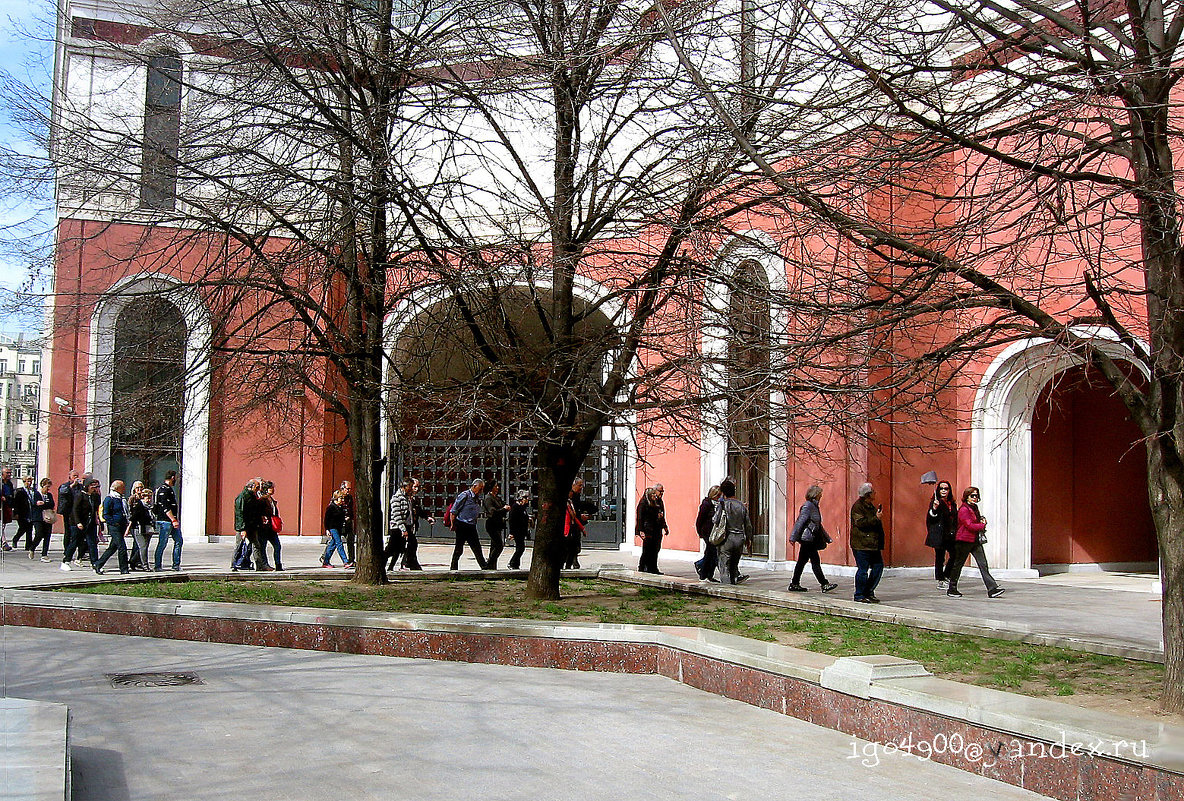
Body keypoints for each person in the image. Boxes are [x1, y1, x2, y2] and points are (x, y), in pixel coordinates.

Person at [946, 486, 1005, 599]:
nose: (975, 498)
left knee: (983, 564)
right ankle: (952, 588)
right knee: (958, 565)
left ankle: (992, 589)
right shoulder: (964, 510)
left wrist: (981, 520)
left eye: (976, 496)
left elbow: (974, 523)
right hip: (964, 540)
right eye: (972, 496)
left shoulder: (974, 508)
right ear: (967, 497)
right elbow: (969, 525)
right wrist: (982, 525)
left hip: (975, 541)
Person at [788, 485, 838, 593]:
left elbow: (818, 525)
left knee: (802, 561)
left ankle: (794, 583)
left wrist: (827, 538)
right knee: (815, 561)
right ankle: (824, 584)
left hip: (811, 538)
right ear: (815, 494)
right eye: (820, 493)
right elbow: (800, 522)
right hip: (808, 539)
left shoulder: (814, 507)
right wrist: (793, 537)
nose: (821, 495)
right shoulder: (808, 506)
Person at [850, 482, 885, 604]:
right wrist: (876, 518)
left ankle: (869, 591)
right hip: (861, 544)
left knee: (878, 566)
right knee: (863, 570)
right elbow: (860, 523)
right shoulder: (858, 507)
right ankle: (859, 594)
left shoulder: (870, 506)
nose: (875, 493)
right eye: (873, 492)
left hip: (873, 544)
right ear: (868, 494)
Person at [714, 478, 752, 585]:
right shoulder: (741, 506)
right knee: (734, 566)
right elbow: (748, 524)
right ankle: (733, 584)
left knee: (724, 566)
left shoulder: (723, 505)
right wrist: (749, 539)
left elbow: (716, 520)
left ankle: (726, 589)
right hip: (739, 538)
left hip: (726, 538)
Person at [449, 479, 487, 570]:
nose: (481, 491)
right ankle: (453, 567)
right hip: (462, 524)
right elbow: (453, 511)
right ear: (474, 486)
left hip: (471, 525)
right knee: (459, 548)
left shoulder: (476, 497)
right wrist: (452, 524)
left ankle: (484, 566)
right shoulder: (464, 495)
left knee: (477, 547)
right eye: (480, 488)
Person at [926, 480, 958, 588]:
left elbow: (955, 517)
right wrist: (934, 508)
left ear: (949, 490)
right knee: (940, 557)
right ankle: (940, 579)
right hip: (940, 534)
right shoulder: (935, 502)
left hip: (950, 534)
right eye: (941, 488)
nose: (944, 491)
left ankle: (946, 575)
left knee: (955, 554)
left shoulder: (952, 503)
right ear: (938, 490)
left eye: (946, 489)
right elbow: (931, 517)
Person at [94, 480, 130, 575]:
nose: (124, 489)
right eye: (123, 487)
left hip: (122, 526)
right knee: (122, 547)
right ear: (117, 488)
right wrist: (114, 523)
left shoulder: (121, 499)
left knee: (112, 548)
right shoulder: (109, 499)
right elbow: (106, 514)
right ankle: (124, 569)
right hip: (114, 527)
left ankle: (98, 564)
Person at [636, 484, 670, 574]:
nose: (661, 493)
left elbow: (661, 515)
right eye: (660, 491)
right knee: (647, 550)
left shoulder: (659, 502)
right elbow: (640, 517)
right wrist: (640, 530)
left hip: (656, 529)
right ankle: (642, 567)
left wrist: (665, 526)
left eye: (663, 491)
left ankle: (653, 568)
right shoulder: (644, 503)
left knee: (656, 549)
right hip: (648, 530)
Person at [71, 478, 102, 573]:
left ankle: (95, 563)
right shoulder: (80, 495)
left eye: (96, 487)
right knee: (75, 542)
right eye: (93, 486)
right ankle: (66, 560)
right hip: (81, 522)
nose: (95, 488)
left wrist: (99, 522)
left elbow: (97, 509)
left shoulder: (95, 496)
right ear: (87, 486)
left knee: (92, 543)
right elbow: (75, 510)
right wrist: (78, 522)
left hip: (91, 523)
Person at [153, 470, 183, 571]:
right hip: (166, 521)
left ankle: (176, 565)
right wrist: (173, 520)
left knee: (179, 541)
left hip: (172, 520)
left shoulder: (169, 489)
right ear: (172, 477)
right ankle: (157, 566)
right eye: (176, 478)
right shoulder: (163, 490)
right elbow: (165, 507)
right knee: (162, 543)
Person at [563, 477, 593, 569]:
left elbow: (575, 515)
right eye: (579, 485)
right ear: (573, 486)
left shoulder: (575, 498)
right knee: (567, 548)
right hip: (567, 528)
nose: (581, 487)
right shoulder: (566, 501)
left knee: (574, 547)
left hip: (574, 526)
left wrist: (582, 527)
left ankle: (571, 565)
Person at [385, 477, 414, 572]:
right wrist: (403, 529)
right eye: (410, 486)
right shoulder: (396, 498)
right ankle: (381, 564)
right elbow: (397, 515)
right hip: (397, 528)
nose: (412, 488)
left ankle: (390, 567)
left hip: (404, 526)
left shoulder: (406, 497)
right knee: (390, 549)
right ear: (405, 486)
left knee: (399, 549)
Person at [694, 485, 722, 581]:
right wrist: (700, 532)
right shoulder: (706, 504)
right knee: (712, 552)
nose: (719, 497)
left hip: (716, 532)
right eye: (717, 495)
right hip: (707, 532)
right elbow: (699, 520)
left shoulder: (720, 504)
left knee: (710, 553)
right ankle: (705, 574)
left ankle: (706, 572)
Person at [402, 477, 431, 571]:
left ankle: (410, 563)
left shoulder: (414, 499)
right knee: (405, 545)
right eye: (414, 486)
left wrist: (427, 518)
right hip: (405, 525)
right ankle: (407, 564)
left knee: (412, 544)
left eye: (418, 487)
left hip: (412, 525)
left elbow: (419, 511)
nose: (416, 489)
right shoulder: (404, 498)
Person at [232, 478, 260, 571]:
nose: (258, 489)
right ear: (251, 486)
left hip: (252, 526)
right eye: (257, 487)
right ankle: (235, 564)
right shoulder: (243, 497)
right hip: (245, 527)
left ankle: (257, 564)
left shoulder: (252, 496)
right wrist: (242, 529)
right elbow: (240, 514)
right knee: (240, 545)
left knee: (255, 545)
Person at [256, 480, 283, 571]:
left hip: (272, 528)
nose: (273, 490)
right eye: (271, 488)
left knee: (277, 546)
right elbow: (259, 513)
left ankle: (278, 564)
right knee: (262, 547)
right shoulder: (262, 500)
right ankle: (264, 564)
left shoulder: (271, 500)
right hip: (264, 528)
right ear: (266, 489)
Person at [482, 480, 510, 570]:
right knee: (499, 545)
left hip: (498, 524)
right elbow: (492, 512)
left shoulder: (496, 497)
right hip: (491, 524)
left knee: (494, 546)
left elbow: (502, 504)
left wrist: (505, 507)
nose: (497, 488)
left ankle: (492, 567)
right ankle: (489, 562)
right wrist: (503, 509)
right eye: (496, 486)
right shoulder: (488, 498)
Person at [127, 482, 155, 571]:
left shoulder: (150, 506)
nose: (149, 499)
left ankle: (133, 561)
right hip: (139, 528)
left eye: (150, 497)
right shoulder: (139, 505)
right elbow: (133, 517)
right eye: (147, 497)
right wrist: (128, 529)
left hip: (148, 528)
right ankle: (145, 565)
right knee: (142, 547)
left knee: (144, 547)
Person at [57, 470, 81, 566]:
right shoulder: (65, 485)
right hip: (68, 511)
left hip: (77, 511)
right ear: (70, 477)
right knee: (68, 531)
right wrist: (72, 486)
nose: (76, 477)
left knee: (76, 533)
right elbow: (63, 493)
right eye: (74, 476)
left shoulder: (79, 487)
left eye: (77, 476)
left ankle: (79, 553)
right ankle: (66, 549)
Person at [321, 491, 351, 567]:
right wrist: (327, 529)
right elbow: (326, 519)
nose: (343, 500)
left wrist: (345, 519)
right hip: (333, 528)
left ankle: (326, 561)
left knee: (332, 545)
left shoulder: (340, 507)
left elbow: (340, 518)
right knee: (339, 544)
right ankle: (345, 561)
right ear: (337, 498)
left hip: (339, 528)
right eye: (341, 498)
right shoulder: (331, 507)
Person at [27, 478, 54, 561]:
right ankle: (32, 548)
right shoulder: (36, 494)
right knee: (39, 534)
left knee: (47, 535)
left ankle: (44, 554)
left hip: (48, 517)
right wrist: (43, 504)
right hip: (38, 517)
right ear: (42, 485)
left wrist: (44, 504)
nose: (48, 488)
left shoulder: (49, 495)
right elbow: (35, 504)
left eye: (49, 487)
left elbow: (52, 504)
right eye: (47, 486)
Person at [506, 489, 530, 570]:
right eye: (525, 498)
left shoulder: (522, 507)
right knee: (520, 548)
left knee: (520, 548)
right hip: (517, 531)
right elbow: (512, 521)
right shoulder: (515, 507)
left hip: (522, 531)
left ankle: (516, 564)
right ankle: (512, 563)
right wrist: (511, 532)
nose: (527, 500)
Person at [11, 474, 34, 550]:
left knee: (29, 529)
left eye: (30, 481)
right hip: (22, 512)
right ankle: (15, 539)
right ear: (24, 482)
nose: (29, 483)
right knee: (22, 528)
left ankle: (28, 545)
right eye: (28, 481)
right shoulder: (20, 491)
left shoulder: (32, 491)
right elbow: (16, 503)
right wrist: (16, 513)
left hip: (30, 512)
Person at [340, 480, 356, 564]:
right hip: (340, 522)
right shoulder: (338, 496)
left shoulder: (350, 498)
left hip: (349, 522)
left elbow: (351, 509)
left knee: (351, 541)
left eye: (350, 489)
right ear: (343, 488)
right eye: (347, 489)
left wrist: (350, 518)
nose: (349, 491)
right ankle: (325, 557)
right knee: (335, 541)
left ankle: (351, 559)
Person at [1, 466, 14, 550]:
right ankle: (3, 542)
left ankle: (2, 541)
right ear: (2, 474)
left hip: (6, 506)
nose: (9, 475)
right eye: (7, 473)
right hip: (1, 505)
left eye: (10, 473)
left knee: (3, 525)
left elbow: (11, 494)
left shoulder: (9, 483)